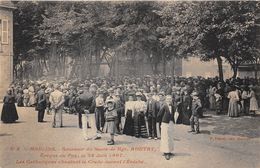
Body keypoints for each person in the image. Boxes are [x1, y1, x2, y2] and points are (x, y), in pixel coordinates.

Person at [157, 95, 174, 160]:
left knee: (170, 137)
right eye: (168, 99)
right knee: (165, 137)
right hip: (165, 123)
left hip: (170, 123)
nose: (169, 100)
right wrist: (162, 122)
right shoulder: (164, 106)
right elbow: (159, 115)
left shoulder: (172, 106)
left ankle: (169, 150)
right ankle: (166, 152)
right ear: (166, 99)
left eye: (170, 99)